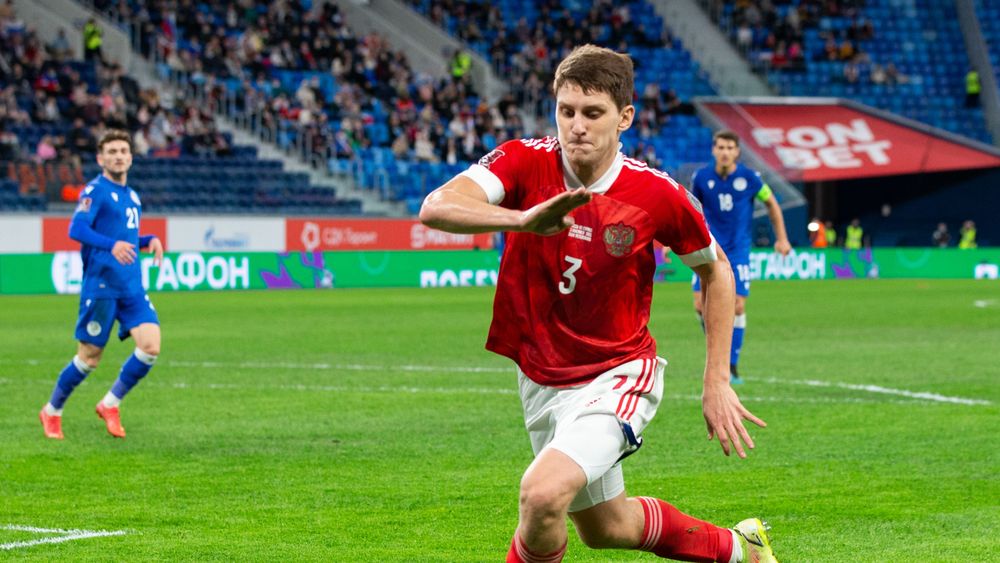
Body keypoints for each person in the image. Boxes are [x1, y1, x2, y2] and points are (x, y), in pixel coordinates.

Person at [420, 45, 777, 563]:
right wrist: (522, 220)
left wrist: (716, 379)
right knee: (608, 527)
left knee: (542, 495)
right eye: (566, 111)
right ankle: (741, 548)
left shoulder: (655, 194)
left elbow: (716, 270)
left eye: (592, 113)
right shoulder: (523, 160)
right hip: (542, 379)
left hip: (617, 373)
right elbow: (436, 206)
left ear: (624, 117)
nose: (577, 126)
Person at [39, 130, 164, 440]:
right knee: (89, 357)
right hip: (102, 286)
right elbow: (76, 229)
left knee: (150, 346)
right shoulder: (95, 191)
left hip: (131, 286)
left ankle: (110, 404)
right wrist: (111, 246)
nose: (118, 156)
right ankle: (52, 410)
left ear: (131, 157)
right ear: (100, 158)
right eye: (112, 152)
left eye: (123, 151)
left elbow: (126, 237)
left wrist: (149, 239)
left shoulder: (132, 196)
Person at [690, 131, 791, 384]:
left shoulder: (751, 178)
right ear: (713, 150)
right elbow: (690, 209)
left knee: (737, 305)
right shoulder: (701, 178)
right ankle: (717, 350)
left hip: (737, 252)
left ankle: (731, 364)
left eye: (730, 148)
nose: (725, 152)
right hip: (708, 249)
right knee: (700, 305)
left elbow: (772, 203)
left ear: (737, 152)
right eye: (721, 147)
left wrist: (782, 238)